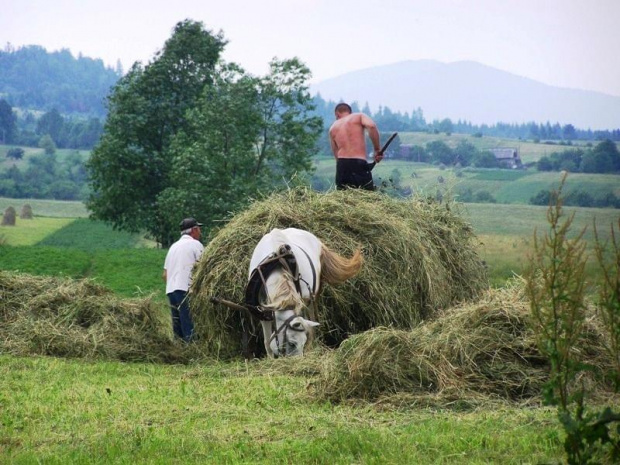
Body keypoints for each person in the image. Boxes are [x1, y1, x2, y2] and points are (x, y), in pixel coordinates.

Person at [162, 217, 204, 342]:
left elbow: (165, 274)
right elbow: (203, 267)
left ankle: (179, 351)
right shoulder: (196, 245)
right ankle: (192, 352)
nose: (200, 232)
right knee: (188, 322)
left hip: (171, 291)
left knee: (177, 324)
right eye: (199, 229)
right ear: (194, 230)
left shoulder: (173, 247)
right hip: (186, 289)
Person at [329, 102, 383, 190]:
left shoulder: (332, 128)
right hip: (358, 163)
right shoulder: (358, 116)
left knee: (342, 199)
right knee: (366, 198)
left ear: (337, 114)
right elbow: (371, 126)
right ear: (349, 112)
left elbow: (336, 153)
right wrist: (377, 149)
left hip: (342, 165)